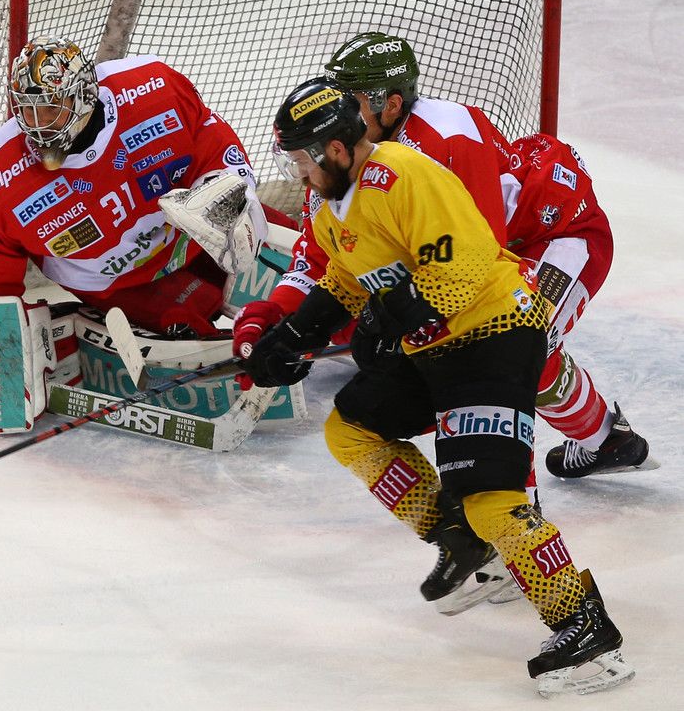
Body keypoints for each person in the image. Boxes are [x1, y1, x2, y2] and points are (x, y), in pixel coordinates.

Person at [240, 77, 634, 695]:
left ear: (336, 150)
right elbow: (346, 281)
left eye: (301, 159)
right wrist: (290, 338)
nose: (297, 173)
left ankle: (583, 623)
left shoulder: (403, 176)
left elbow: (464, 268)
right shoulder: (334, 205)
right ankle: (459, 537)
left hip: (496, 332)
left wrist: (390, 318)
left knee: (490, 497)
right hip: (438, 345)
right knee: (351, 430)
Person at [235, 31, 651, 480]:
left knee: (509, 350)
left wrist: (397, 320)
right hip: (485, 253)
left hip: (556, 235)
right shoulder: (339, 157)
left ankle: (519, 492)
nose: (340, 111)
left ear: (391, 105)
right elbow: (322, 261)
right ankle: (607, 441)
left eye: (352, 101)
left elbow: (477, 262)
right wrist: (278, 318)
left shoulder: (449, 135)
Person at [0, 36, 275, 341]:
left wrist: (233, 198)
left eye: (51, 108)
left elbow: (208, 136)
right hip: (121, 285)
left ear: (84, 95)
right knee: (190, 334)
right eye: (27, 110)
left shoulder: (152, 86)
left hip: (193, 240)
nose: (38, 123)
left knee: (288, 258)